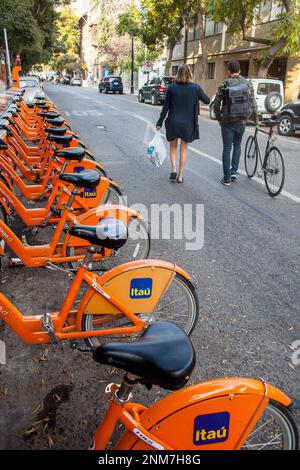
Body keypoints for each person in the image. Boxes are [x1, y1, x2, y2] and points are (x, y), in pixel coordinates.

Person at [156, 64, 210, 183]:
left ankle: (173, 169)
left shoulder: (172, 87)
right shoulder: (195, 87)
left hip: (173, 122)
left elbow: (165, 107)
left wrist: (159, 122)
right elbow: (207, 100)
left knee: (173, 147)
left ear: (178, 74)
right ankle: (180, 176)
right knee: (184, 149)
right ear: (189, 74)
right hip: (188, 124)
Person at [213, 61, 258, 186]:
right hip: (242, 121)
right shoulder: (247, 84)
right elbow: (253, 102)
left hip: (227, 121)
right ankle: (233, 172)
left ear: (228, 71)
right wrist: (255, 119)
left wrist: (219, 118)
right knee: (237, 145)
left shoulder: (224, 84)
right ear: (239, 70)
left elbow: (217, 104)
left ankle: (226, 178)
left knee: (227, 148)